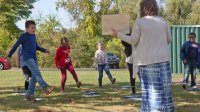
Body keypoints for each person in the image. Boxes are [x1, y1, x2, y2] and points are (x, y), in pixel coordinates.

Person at [111, 0, 175, 111]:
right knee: (165, 92)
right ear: (155, 7)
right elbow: (169, 40)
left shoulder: (140, 22)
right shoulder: (163, 21)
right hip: (164, 61)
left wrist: (118, 34)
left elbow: (133, 40)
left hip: (146, 62)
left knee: (151, 94)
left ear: (142, 8)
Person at [7, 20, 55, 103]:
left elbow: (36, 46)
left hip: (33, 58)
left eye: (35, 27)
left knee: (34, 78)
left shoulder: (34, 36)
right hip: (27, 58)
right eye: (32, 27)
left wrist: (45, 50)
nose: (34, 29)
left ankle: (29, 94)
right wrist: (9, 55)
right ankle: (46, 88)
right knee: (37, 73)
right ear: (27, 28)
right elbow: (16, 45)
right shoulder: (23, 36)